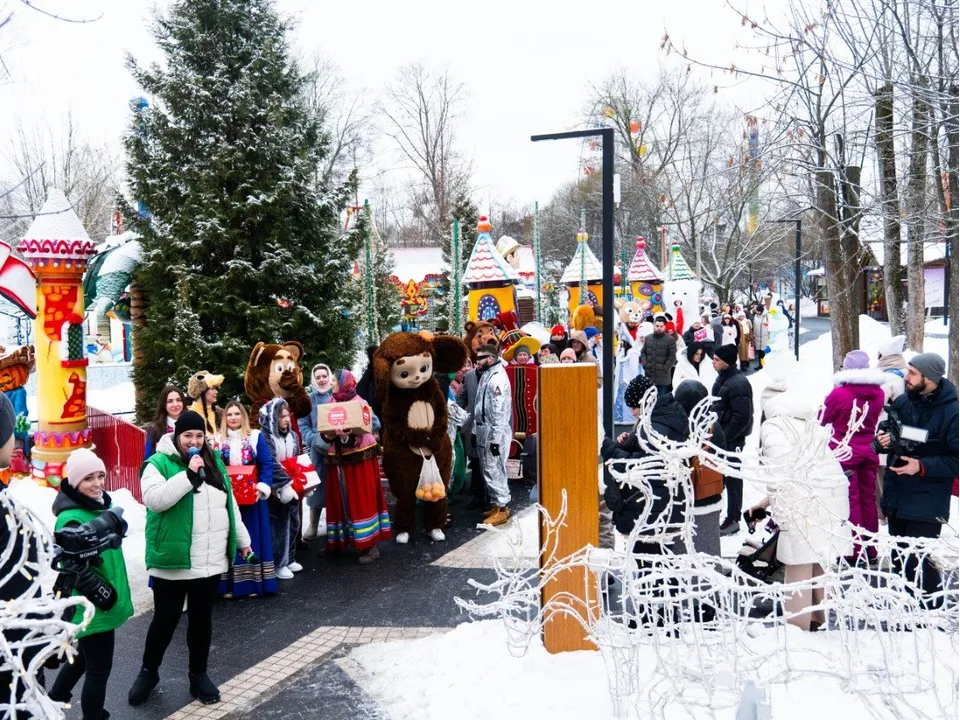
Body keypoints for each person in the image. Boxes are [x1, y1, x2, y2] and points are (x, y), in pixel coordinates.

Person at [129, 410, 252, 707]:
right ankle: (148, 671)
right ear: (177, 436)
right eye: (188, 436)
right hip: (173, 560)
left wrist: (242, 541)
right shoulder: (158, 464)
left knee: (201, 621)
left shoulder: (213, 462)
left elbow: (229, 503)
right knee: (165, 621)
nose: (194, 441)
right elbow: (155, 501)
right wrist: (187, 476)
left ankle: (198, 675)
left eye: (199, 435)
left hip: (208, 561)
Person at [747, 377, 851, 631]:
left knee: (797, 570)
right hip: (829, 501)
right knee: (817, 565)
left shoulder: (773, 426)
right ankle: (817, 620)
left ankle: (798, 628)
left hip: (802, 506)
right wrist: (765, 503)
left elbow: (780, 475)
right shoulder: (807, 423)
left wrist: (780, 516)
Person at [49, 449, 133, 720]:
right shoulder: (71, 518)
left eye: (101, 476)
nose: (97, 483)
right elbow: (72, 566)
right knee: (98, 671)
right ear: (74, 483)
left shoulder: (96, 507)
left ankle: (54, 699)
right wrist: (103, 594)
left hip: (94, 606)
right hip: (93, 606)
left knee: (82, 660)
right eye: (88, 478)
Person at [877, 352, 958, 609]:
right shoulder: (904, 402)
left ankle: (930, 616)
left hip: (927, 502)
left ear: (930, 378)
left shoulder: (953, 412)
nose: (906, 377)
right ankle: (905, 615)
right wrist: (881, 441)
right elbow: (887, 431)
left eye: (912, 373)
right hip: (897, 496)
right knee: (899, 559)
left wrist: (920, 466)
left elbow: (956, 460)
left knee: (919, 563)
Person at [820, 350, 886, 562]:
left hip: (844, 450)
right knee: (868, 499)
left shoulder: (839, 394)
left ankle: (855, 551)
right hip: (869, 449)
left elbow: (822, 417)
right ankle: (871, 549)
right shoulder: (879, 392)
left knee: (851, 500)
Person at [323, 370, 392, 563]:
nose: (332, 384)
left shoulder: (359, 403)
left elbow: (363, 431)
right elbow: (325, 428)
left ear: (345, 383)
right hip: (338, 459)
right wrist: (330, 434)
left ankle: (370, 545)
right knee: (339, 500)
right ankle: (339, 541)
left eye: (335, 381)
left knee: (362, 499)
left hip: (358, 461)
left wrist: (345, 435)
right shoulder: (331, 402)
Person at [216, 401, 277, 597]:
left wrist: (262, 487)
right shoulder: (218, 440)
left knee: (251, 538)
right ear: (225, 418)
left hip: (252, 500)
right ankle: (229, 586)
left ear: (243, 416)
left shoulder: (255, 437)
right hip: (228, 501)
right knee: (230, 538)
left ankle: (252, 585)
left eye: (237, 414)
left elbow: (267, 464)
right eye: (229, 414)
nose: (233, 417)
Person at [673, 380, 725, 556]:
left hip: (687, 500)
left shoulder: (679, 428)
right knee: (710, 550)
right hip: (712, 494)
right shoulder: (714, 426)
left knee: (686, 552)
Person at [711, 344, 754, 537]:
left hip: (731, 440)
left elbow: (742, 416)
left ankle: (733, 518)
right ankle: (728, 516)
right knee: (724, 477)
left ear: (726, 362)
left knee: (733, 479)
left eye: (717, 359)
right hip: (723, 437)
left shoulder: (738, 383)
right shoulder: (725, 378)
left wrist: (725, 437)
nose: (713, 362)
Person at [259, 398, 302, 581]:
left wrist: (304, 481)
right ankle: (278, 563)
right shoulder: (266, 436)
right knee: (279, 526)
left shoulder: (293, 435)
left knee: (294, 522)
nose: (286, 420)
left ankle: (289, 557)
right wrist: (283, 485)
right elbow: (270, 463)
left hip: (292, 485)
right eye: (282, 417)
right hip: (276, 488)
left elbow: (299, 457)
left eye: (287, 416)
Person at [472, 343, 513, 526]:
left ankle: (503, 508)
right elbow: (480, 405)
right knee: (488, 469)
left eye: (481, 358)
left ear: (491, 358)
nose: (477, 361)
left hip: (494, 431)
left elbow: (499, 412)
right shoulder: (487, 374)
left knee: (494, 469)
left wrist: (495, 440)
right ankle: (498, 504)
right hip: (484, 429)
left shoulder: (497, 379)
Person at [298, 363, 334, 542]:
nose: (321, 380)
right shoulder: (308, 399)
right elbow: (302, 424)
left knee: (335, 487)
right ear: (314, 379)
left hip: (337, 450)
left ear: (329, 377)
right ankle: (313, 525)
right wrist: (313, 439)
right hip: (317, 451)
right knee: (316, 489)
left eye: (324, 376)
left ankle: (335, 525)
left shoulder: (337, 396)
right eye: (318, 377)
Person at [875, 335, 908, 518]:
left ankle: (884, 514)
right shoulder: (907, 372)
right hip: (907, 433)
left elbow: (877, 405)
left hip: (886, 433)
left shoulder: (885, 378)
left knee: (884, 475)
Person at [456, 359, 486, 511]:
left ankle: (491, 497)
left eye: (484, 357)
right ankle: (478, 495)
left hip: (489, 428)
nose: (481, 361)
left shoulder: (496, 375)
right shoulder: (469, 376)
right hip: (473, 425)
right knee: (475, 460)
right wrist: (458, 414)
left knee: (488, 463)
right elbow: (462, 397)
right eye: (479, 358)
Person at [144, 385, 187, 460]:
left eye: (178, 400)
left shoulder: (192, 423)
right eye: (170, 401)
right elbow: (148, 459)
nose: (175, 404)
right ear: (164, 404)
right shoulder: (154, 429)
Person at [640, 317, 677, 395]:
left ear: (664, 327)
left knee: (661, 401)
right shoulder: (648, 338)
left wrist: (665, 368)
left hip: (663, 378)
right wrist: (645, 364)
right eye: (657, 326)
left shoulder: (670, 340)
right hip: (649, 376)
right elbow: (643, 352)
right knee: (649, 402)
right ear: (654, 326)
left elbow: (672, 356)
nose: (659, 328)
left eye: (661, 326)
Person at [187, 371, 224, 436]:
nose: (216, 392)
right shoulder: (186, 413)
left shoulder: (220, 413)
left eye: (216, 388)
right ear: (201, 391)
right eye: (212, 388)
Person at [752, 306, 769, 370]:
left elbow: (770, 324)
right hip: (757, 336)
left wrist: (767, 325)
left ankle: (765, 364)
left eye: (759, 311)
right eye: (757, 311)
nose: (757, 312)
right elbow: (754, 325)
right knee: (759, 352)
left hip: (765, 336)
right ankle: (760, 364)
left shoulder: (766, 315)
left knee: (765, 351)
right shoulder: (755, 316)